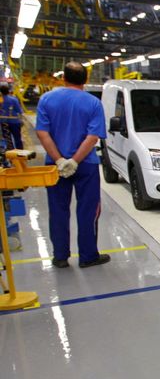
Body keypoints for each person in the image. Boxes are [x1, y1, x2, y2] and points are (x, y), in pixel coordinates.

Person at [36, 62, 110, 269]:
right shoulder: (93, 103)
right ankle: (88, 256)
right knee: (88, 210)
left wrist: (60, 160)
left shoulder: (47, 99)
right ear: (85, 79)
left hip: (54, 166)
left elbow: (42, 132)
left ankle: (60, 257)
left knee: (58, 210)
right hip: (86, 165)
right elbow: (92, 137)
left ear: (63, 78)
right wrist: (74, 161)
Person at [0, 83, 25, 149]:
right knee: (17, 138)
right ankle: (20, 152)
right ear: (8, 91)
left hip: (3, 122)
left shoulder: (0, 100)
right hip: (14, 122)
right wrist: (21, 119)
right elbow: (19, 111)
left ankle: (10, 152)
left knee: (7, 139)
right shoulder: (13, 99)